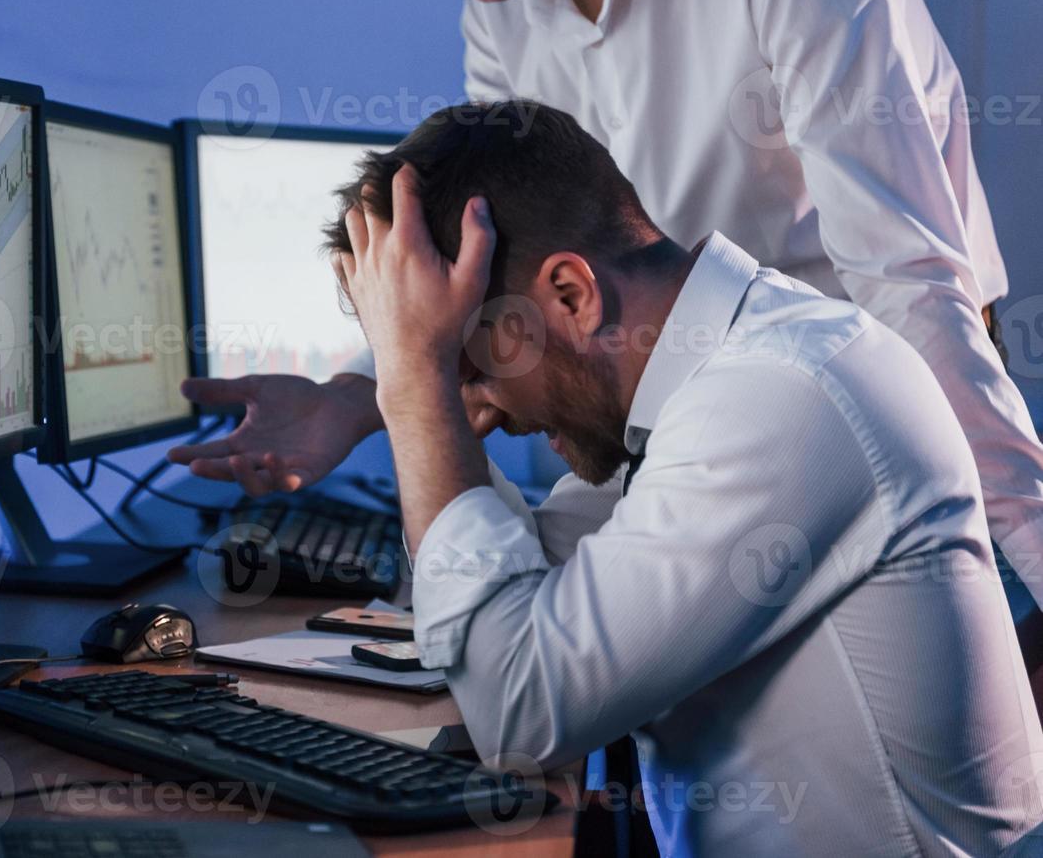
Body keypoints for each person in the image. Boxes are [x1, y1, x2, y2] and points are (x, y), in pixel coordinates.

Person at [168, 0, 1043, 616]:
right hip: (668, 416)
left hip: (870, 398)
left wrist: (1030, 550)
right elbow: (491, 270)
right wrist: (359, 396)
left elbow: (909, 287)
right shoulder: (503, 5)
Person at [318, 99, 1043, 854]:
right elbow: (512, 602)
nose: (485, 410)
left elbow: (520, 709)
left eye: (471, 368)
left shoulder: (777, 395)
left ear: (570, 294)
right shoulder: (693, 381)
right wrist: (431, 400)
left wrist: (414, 395)